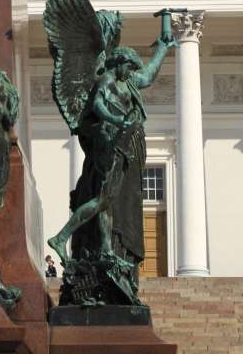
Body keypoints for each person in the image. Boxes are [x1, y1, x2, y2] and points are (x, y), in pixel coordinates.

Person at [47, 25, 176, 294]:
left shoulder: (126, 81)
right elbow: (97, 106)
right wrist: (118, 119)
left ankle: (105, 248)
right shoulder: (106, 79)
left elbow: (149, 76)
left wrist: (162, 48)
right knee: (104, 198)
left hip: (122, 143)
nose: (132, 72)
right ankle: (60, 238)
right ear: (120, 63)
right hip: (110, 144)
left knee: (107, 199)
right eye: (130, 67)